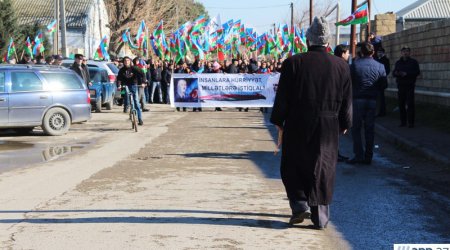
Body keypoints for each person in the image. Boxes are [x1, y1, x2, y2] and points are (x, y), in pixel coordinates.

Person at [270, 16, 352, 229]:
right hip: (328, 125)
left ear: (307, 40)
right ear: (328, 42)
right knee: (322, 167)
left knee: (294, 164)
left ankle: (299, 206)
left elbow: (283, 97)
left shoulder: (293, 63)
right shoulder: (341, 66)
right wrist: (345, 122)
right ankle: (320, 216)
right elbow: (347, 99)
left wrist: (278, 120)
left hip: (297, 122)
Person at [347, 42, 386, 165]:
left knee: (356, 128)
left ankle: (359, 155)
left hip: (358, 99)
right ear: (373, 52)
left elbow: (349, 82)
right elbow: (384, 85)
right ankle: (369, 156)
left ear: (361, 52)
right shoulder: (380, 66)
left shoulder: (354, 65)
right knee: (370, 129)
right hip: (372, 100)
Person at [393, 47, 420, 128]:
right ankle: (403, 122)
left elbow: (417, 72)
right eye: (404, 51)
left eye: (407, 51)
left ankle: (411, 122)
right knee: (401, 104)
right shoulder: (398, 62)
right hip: (400, 86)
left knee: (410, 104)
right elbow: (394, 73)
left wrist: (407, 74)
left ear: (409, 53)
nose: (405, 53)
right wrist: (397, 73)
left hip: (410, 86)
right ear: (401, 53)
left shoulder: (413, 62)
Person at [334, 44, 351, 163]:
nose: (349, 55)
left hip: (332, 103)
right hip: (338, 103)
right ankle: (334, 154)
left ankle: (336, 153)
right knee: (335, 132)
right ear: (342, 53)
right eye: (347, 53)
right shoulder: (342, 66)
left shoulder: (332, 63)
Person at [117, 56, 144, 125]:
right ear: (123, 62)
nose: (126, 62)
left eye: (128, 60)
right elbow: (119, 79)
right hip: (125, 85)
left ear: (130, 61)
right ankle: (127, 107)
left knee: (136, 102)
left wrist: (143, 82)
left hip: (134, 85)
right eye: (125, 61)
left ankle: (140, 119)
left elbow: (142, 74)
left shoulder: (134, 68)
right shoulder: (121, 70)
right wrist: (119, 85)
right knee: (125, 96)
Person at [374, 47, 390, 117]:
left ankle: (382, 112)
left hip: (382, 81)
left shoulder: (385, 60)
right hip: (376, 81)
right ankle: (378, 111)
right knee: (377, 97)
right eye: (378, 52)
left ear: (383, 53)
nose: (379, 53)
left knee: (381, 97)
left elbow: (387, 70)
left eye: (381, 52)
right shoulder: (376, 59)